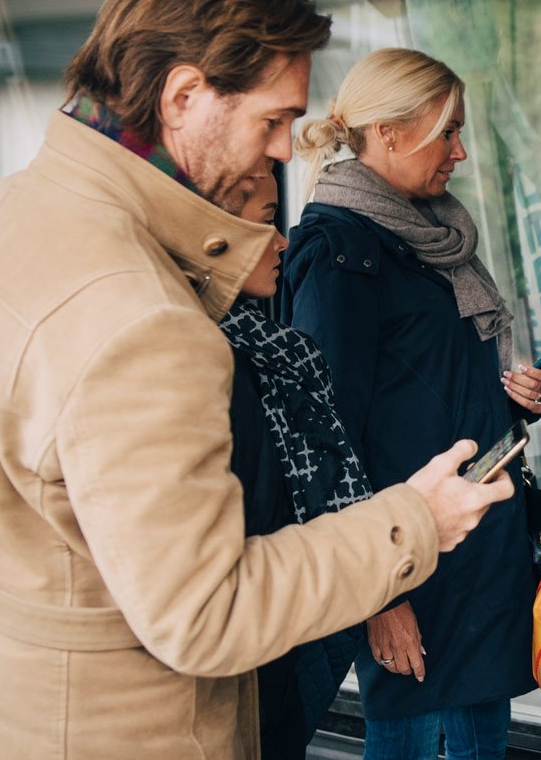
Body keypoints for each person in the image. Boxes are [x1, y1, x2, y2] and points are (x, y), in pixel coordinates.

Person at [0, 0, 511, 758]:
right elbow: (207, 613)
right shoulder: (141, 316)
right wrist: (413, 522)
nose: (286, 150)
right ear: (183, 97)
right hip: (120, 729)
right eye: (273, 119)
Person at [284, 47, 541, 760]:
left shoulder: (429, 237)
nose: (461, 152)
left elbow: (429, 391)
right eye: (448, 131)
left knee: (480, 747)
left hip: (474, 554)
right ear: (391, 132)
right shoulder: (339, 253)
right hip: (411, 565)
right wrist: (379, 594)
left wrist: (517, 404)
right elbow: (323, 434)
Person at [219, 172, 375, 756]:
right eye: (264, 223)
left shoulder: (272, 350)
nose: (282, 241)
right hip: (254, 646)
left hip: (285, 634)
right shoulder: (224, 367)